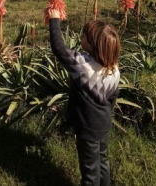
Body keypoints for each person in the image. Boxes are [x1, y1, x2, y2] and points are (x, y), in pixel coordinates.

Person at [48, 10, 120, 186]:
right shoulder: (114, 69)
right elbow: (112, 99)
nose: (81, 36)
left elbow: (58, 48)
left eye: (84, 36)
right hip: (103, 124)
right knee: (102, 160)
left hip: (87, 128)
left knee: (89, 170)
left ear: (93, 45)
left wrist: (54, 19)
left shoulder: (82, 66)